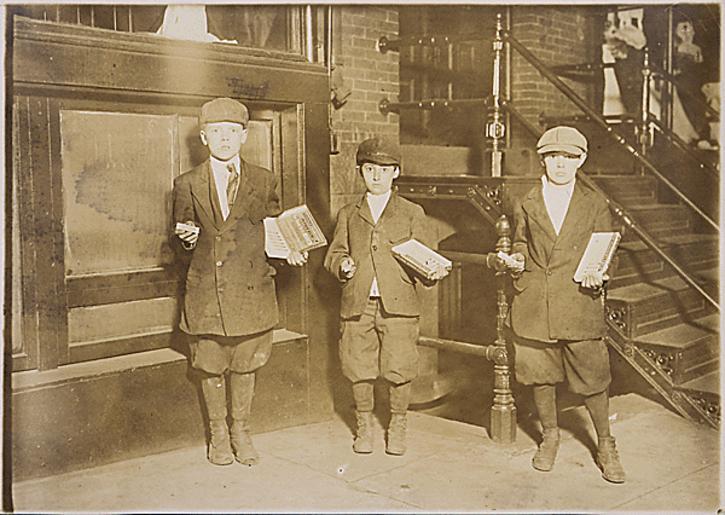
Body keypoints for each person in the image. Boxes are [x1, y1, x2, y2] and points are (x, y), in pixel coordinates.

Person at [173, 97, 307, 466]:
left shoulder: (264, 180)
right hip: (207, 292)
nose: (225, 138)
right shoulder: (187, 183)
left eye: (232, 131)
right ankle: (218, 434)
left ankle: (241, 431)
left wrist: (289, 250)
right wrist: (185, 238)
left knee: (246, 363)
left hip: (250, 289)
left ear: (244, 136)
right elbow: (180, 240)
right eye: (216, 131)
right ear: (204, 137)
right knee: (210, 364)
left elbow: (274, 229)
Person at [503, 126, 626, 483]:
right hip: (535, 301)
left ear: (581, 160)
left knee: (593, 376)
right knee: (540, 374)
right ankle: (550, 437)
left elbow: (607, 249)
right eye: (554, 157)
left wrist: (600, 273)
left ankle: (605, 444)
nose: (561, 164)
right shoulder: (525, 200)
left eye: (569, 157)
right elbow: (521, 242)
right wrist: (517, 259)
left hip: (577, 300)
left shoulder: (594, 202)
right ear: (542, 160)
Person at [324, 137, 448, 456]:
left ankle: (397, 425)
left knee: (400, 366)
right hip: (358, 303)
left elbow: (426, 257)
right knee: (358, 365)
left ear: (396, 172)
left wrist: (432, 271)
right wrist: (342, 264)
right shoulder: (348, 213)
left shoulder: (412, 212)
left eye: (384, 169)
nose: (376, 176)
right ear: (360, 172)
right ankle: (364, 426)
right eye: (369, 169)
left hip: (399, 306)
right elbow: (334, 253)